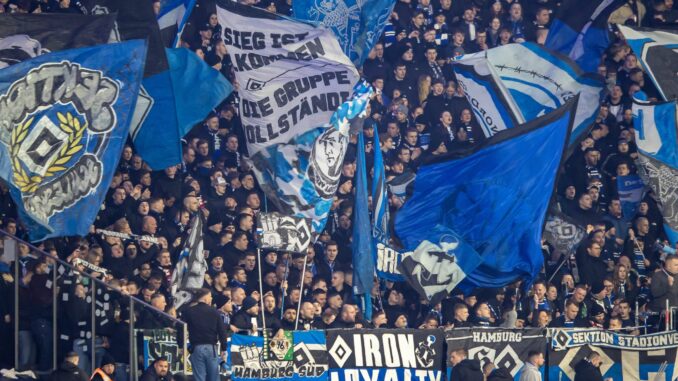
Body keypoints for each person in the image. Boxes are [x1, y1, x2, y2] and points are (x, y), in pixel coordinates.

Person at [180, 288, 227, 381]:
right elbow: (222, 331)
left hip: (196, 348)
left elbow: (181, 328)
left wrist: (180, 345)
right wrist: (224, 349)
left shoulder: (188, 311)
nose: (211, 299)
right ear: (205, 298)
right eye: (210, 296)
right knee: (214, 377)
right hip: (211, 348)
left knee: (199, 377)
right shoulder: (215, 312)